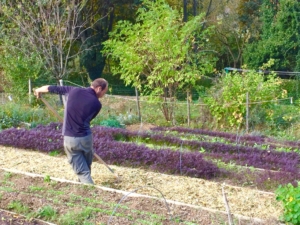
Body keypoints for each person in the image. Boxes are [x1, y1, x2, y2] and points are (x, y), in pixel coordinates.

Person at [34, 78, 108, 184]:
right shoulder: (97, 104)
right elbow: (88, 119)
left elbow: (53, 88)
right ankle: (83, 186)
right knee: (86, 167)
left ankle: (90, 192)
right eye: (104, 92)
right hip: (86, 139)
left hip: (71, 139)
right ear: (99, 88)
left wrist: (39, 90)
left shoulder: (74, 90)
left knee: (82, 171)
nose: (103, 95)